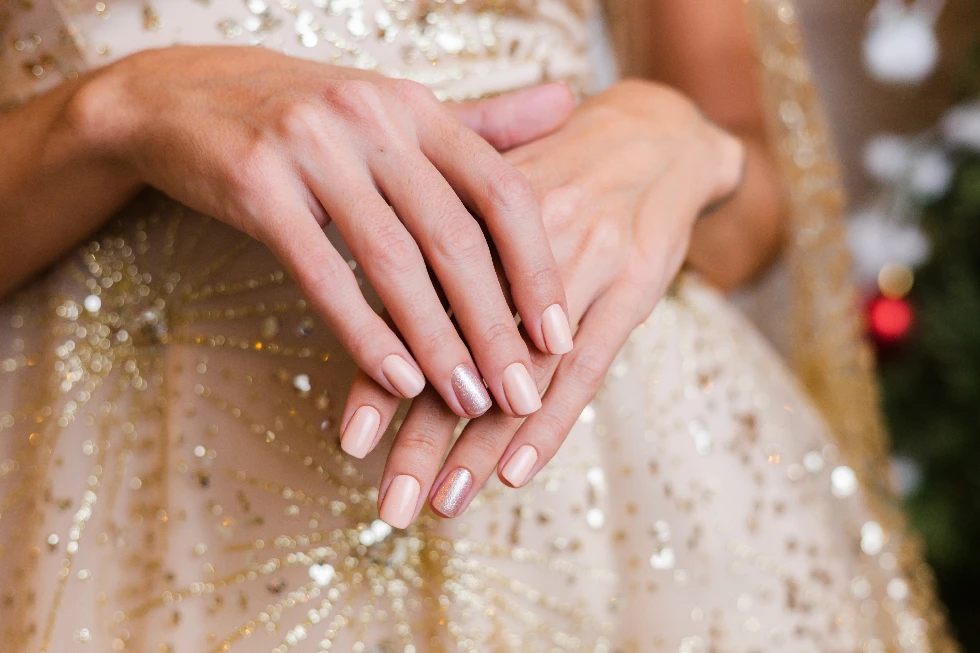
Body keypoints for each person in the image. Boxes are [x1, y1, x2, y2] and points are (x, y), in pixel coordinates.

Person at [0, 0, 955, 650]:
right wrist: (109, 112)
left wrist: (684, 141)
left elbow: (755, 206)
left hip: (601, 480)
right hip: (104, 481)